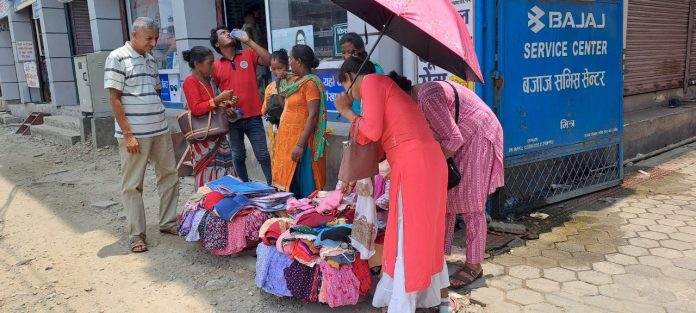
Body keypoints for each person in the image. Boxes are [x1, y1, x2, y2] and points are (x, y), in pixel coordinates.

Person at [334, 56, 449, 313]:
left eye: (346, 87)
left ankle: (402, 304)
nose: (348, 94)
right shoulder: (386, 87)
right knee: (424, 233)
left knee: (408, 234)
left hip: (414, 164)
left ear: (351, 77)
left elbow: (371, 131)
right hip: (428, 161)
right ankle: (429, 299)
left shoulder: (373, 82)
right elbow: (372, 135)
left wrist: (345, 110)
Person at [388, 72, 504, 289]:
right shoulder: (419, 98)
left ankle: (474, 265)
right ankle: (438, 256)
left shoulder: (428, 97)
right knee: (444, 200)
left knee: (473, 205)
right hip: (463, 137)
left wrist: (427, 166)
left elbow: (453, 138)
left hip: (478, 134)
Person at [104, 17, 180, 253]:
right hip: (135, 135)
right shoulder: (117, 57)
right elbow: (114, 98)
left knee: (169, 176)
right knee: (133, 185)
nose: (154, 42)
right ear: (134, 35)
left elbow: (156, 92)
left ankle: (168, 222)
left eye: (156, 38)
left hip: (159, 131)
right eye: (149, 38)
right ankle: (136, 234)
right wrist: (128, 134)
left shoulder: (150, 60)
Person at [210, 26, 273, 185]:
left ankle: (274, 188)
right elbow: (214, 95)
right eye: (222, 33)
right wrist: (226, 106)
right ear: (217, 44)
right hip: (232, 119)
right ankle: (245, 188)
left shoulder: (248, 53)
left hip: (253, 115)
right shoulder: (215, 66)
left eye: (227, 31)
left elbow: (269, 60)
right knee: (238, 156)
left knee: (263, 156)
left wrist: (249, 41)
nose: (227, 34)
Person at [271, 45, 328, 198]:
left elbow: (313, 116)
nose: (289, 63)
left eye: (291, 59)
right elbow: (285, 107)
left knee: (306, 185)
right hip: (289, 140)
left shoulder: (310, 84)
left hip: (303, 142)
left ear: (299, 61)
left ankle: (308, 217)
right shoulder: (294, 82)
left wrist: (300, 145)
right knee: (292, 183)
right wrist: (279, 83)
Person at [181, 46, 238, 188]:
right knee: (208, 178)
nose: (213, 66)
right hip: (204, 139)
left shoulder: (209, 81)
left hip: (217, 136)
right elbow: (197, 109)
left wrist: (226, 106)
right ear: (196, 64)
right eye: (209, 63)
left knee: (224, 175)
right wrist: (219, 99)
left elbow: (210, 108)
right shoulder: (190, 81)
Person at [339, 32, 384, 115]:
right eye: (343, 52)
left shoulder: (375, 69)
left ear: (361, 50)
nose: (346, 56)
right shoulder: (346, 72)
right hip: (355, 117)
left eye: (351, 52)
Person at [261, 49, 290, 160]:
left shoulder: (294, 84)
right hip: (274, 129)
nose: (277, 72)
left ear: (287, 66)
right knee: (277, 157)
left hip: (289, 127)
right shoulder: (270, 87)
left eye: (280, 68)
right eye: (273, 69)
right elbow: (264, 110)